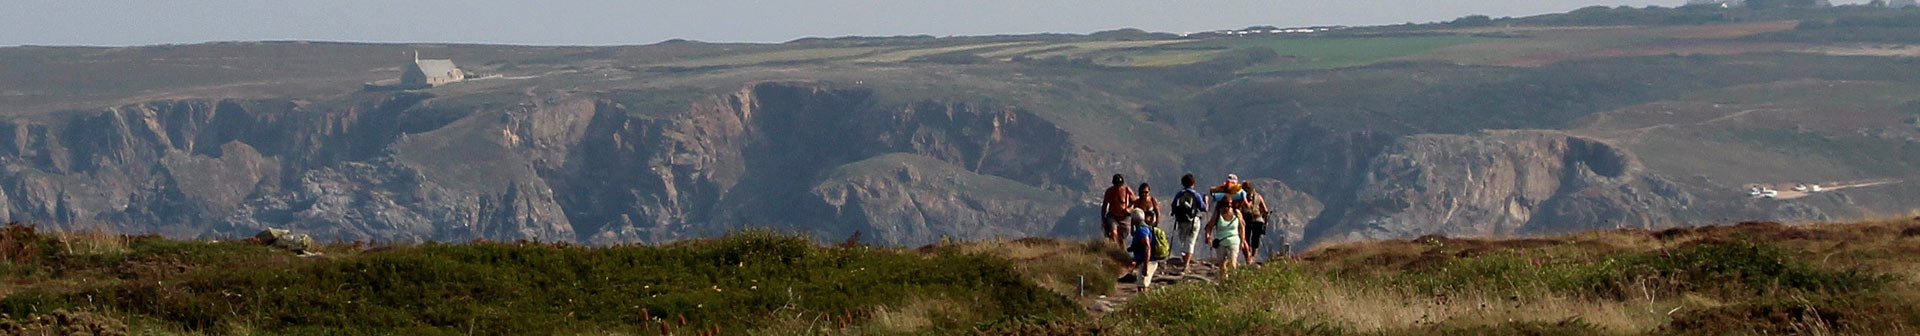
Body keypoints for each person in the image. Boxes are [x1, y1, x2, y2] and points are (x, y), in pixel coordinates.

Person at [1203, 194, 1248, 280]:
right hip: (1221, 242)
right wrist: (1208, 236)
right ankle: (1224, 282)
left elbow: (1242, 227)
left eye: (1228, 205)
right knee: (1222, 264)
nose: (1226, 207)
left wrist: (1242, 241)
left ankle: (1233, 281)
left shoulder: (1237, 213)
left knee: (1232, 263)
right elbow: (1210, 226)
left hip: (1234, 241)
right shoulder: (1218, 214)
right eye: (1224, 205)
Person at [1169, 174, 1208, 269]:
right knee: (1191, 241)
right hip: (1193, 221)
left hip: (1181, 221)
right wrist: (1206, 201)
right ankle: (1186, 264)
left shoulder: (1179, 194)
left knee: (1183, 241)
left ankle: (1185, 260)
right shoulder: (1196, 195)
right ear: (1193, 183)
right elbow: (1204, 208)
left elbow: (1173, 206)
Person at [1119, 209, 1158, 292]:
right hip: (1145, 261)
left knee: (1142, 286)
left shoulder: (1142, 230)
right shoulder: (1142, 228)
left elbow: (1147, 247)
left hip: (1148, 262)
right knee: (1141, 285)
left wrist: (1145, 267)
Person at [1100, 174, 1136, 245]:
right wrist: (1103, 217)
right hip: (1113, 216)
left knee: (1121, 239)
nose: (1118, 187)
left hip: (1124, 217)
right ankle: (1112, 250)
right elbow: (1104, 205)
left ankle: (1120, 253)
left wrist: (1129, 209)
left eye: (1120, 185)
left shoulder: (1127, 190)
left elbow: (1135, 202)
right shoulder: (1109, 192)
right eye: (1117, 185)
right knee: (1113, 233)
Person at [1242, 183, 1273, 264]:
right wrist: (1265, 222)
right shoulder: (1258, 196)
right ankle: (1252, 256)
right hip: (1258, 220)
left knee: (1246, 238)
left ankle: (1248, 256)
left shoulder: (1242, 197)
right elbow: (1265, 210)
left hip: (1246, 220)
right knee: (1255, 240)